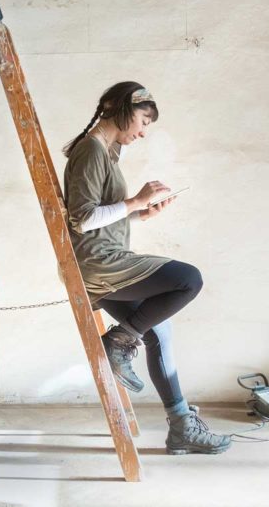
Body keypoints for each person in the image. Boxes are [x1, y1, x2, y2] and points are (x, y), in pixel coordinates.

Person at [62, 81, 231, 455]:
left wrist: (141, 212)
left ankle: (181, 426)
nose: (143, 130)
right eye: (142, 119)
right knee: (189, 279)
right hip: (100, 265)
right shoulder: (90, 150)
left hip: (104, 262)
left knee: (160, 333)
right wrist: (135, 199)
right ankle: (119, 341)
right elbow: (83, 219)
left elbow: (100, 220)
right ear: (121, 110)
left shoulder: (104, 151)